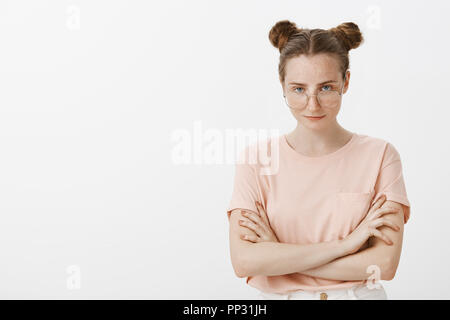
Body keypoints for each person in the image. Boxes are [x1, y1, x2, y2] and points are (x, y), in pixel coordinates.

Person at [226, 20, 411, 300]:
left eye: (325, 88)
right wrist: (347, 245)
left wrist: (278, 256)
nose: (312, 105)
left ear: (345, 82)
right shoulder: (256, 160)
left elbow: (383, 265)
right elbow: (244, 262)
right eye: (299, 89)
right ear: (283, 85)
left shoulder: (381, 156)